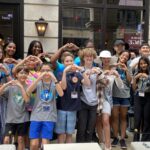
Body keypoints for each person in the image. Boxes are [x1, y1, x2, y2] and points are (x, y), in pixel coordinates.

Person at [26, 63, 63, 150]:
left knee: (45, 144)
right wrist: (39, 77)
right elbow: (28, 91)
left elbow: (61, 94)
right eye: (43, 71)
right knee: (34, 144)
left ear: (52, 71)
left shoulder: (55, 83)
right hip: (36, 116)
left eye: (48, 70)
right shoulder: (38, 83)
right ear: (40, 72)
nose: (46, 73)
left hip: (49, 117)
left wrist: (54, 78)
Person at [55, 52, 90, 143]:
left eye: (71, 60)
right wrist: (65, 72)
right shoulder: (60, 73)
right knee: (61, 133)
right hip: (62, 107)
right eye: (67, 61)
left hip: (73, 108)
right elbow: (63, 87)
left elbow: (87, 83)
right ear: (63, 63)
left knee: (70, 133)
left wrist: (81, 70)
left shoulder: (77, 74)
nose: (69, 62)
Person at [76, 48, 105, 142]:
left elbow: (106, 83)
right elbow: (86, 83)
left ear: (93, 58)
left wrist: (99, 74)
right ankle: (80, 146)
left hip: (95, 102)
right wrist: (85, 73)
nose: (89, 58)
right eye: (87, 56)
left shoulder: (98, 69)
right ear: (83, 58)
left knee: (91, 128)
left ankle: (88, 145)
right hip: (83, 102)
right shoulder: (79, 70)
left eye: (91, 56)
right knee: (82, 127)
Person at [96, 50, 123, 150]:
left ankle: (108, 145)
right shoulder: (97, 69)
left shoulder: (113, 71)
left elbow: (120, 86)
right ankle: (101, 141)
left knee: (105, 120)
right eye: (104, 58)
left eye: (108, 58)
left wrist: (117, 76)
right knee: (98, 121)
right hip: (97, 98)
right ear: (101, 59)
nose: (106, 60)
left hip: (107, 99)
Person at [0, 66, 30, 150]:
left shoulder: (28, 87)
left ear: (27, 75)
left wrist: (20, 86)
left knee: (20, 139)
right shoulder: (11, 87)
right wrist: (7, 84)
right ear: (16, 75)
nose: (23, 75)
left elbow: (27, 100)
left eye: (25, 73)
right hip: (10, 119)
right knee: (6, 140)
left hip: (23, 118)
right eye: (21, 73)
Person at [111, 50, 132, 149]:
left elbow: (130, 81)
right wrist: (115, 66)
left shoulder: (129, 67)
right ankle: (115, 137)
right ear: (119, 56)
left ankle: (122, 139)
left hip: (125, 96)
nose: (124, 57)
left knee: (123, 117)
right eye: (123, 55)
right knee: (115, 117)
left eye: (127, 56)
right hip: (114, 95)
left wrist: (126, 70)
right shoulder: (113, 65)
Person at [132, 56, 150, 141]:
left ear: (148, 64)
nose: (143, 65)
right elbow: (134, 89)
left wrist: (147, 77)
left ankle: (145, 140)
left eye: (145, 63)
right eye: (141, 64)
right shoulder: (137, 73)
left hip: (148, 97)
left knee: (146, 119)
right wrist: (135, 78)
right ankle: (136, 140)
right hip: (138, 97)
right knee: (137, 120)